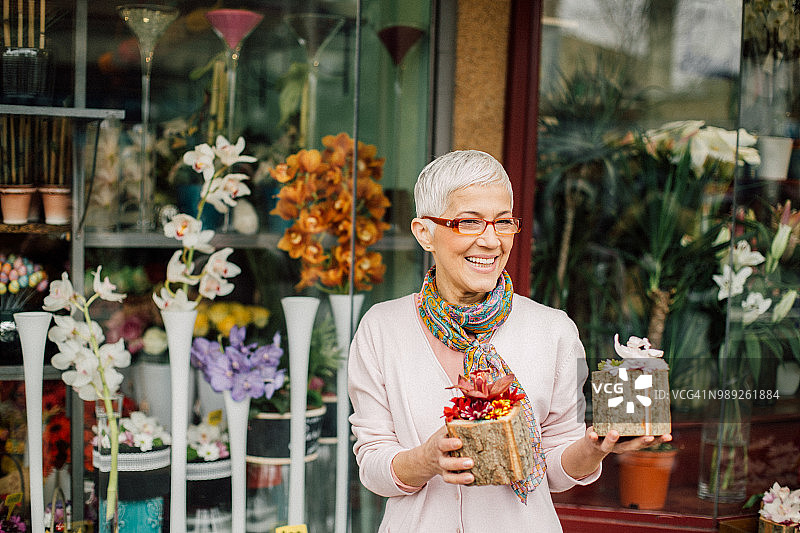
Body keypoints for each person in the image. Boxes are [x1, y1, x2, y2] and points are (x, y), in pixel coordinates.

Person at [348, 150, 671, 532]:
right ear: (424, 233)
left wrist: (594, 447)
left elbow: (554, 468)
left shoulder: (554, 330)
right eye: (469, 222)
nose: (491, 240)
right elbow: (372, 463)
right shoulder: (382, 328)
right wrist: (426, 459)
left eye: (503, 222)